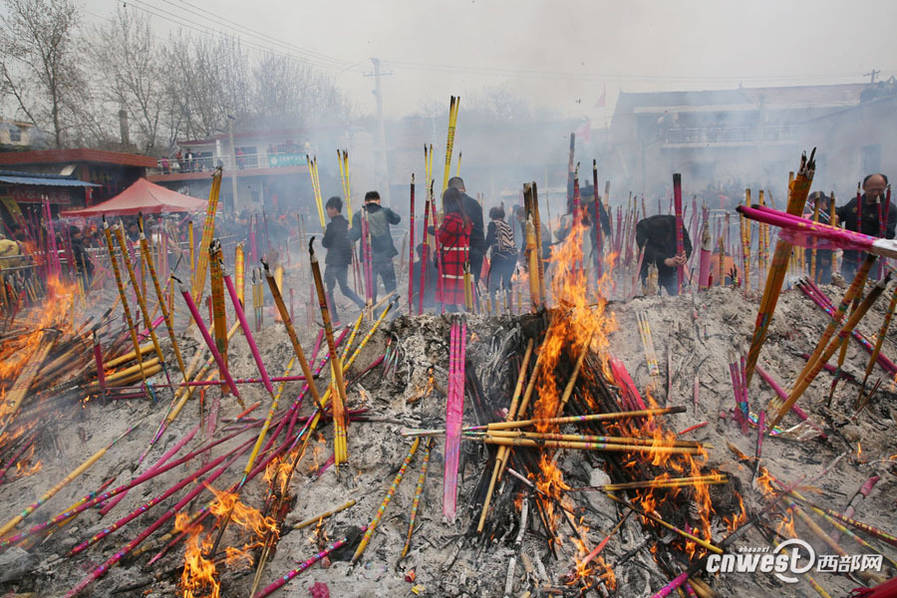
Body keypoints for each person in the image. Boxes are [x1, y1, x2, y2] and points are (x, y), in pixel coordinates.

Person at [836, 173, 896, 280]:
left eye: (880, 190)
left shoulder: (889, 209)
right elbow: (841, 212)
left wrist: (866, 243)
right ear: (864, 187)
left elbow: (888, 233)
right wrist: (836, 215)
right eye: (872, 190)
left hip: (871, 260)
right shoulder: (855, 202)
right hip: (849, 256)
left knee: (866, 287)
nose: (876, 193)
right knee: (845, 286)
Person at [350, 190, 401, 303]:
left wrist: (349, 232)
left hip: (369, 259)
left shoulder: (359, 215)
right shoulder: (386, 211)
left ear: (365, 201)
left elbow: (354, 235)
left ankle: (373, 314)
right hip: (386, 257)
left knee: (371, 289)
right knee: (390, 287)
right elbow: (397, 219)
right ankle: (395, 311)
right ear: (378, 200)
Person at [321, 196, 364, 324]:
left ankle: (335, 319)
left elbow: (325, 243)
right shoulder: (347, 224)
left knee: (329, 291)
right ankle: (362, 304)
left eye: (328, 209)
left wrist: (325, 237)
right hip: (344, 262)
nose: (327, 212)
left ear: (334, 209)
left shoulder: (332, 225)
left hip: (333, 262)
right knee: (344, 288)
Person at [635, 214, 692, 296]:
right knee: (651, 299)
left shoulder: (676, 223)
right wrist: (665, 260)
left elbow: (687, 243)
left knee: (678, 295)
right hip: (649, 268)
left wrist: (684, 255)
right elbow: (647, 250)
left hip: (671, 269)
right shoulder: (642, 227)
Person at [436, 187, 472, 311]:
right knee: (461, 297)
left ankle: (453, 321)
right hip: (463, 261)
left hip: (451, 262)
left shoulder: (451, 218)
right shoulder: (465, 218)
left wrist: (434, 230)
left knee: (450, 299)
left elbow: (440, 237)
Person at [447, 177, 485, 286]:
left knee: (463, 288)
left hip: (462, 251)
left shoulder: (452, 205)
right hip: (477, 249)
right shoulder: (475, 204)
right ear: (464, 188)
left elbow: (450, 230)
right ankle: (475, 302)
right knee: (473, 286)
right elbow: (480, 227)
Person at [485, 205, 517, 297]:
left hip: (500, 256)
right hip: (512, 257)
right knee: (506, 282)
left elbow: (489, 239)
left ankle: (495, 306)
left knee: (494, 282)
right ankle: (509, 304)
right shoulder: (507, 225)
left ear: (492, 216)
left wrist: (483, 251)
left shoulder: (493, 224)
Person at [805, 191, 835, 284]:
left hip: (822, 255)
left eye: (812, 203)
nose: (810, 207)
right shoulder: (813, 217)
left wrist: (826, 255)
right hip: (812, 254)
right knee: (814, 280)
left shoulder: (830, 217)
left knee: (824, 281)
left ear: (822, 201)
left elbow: (829, 237)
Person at [410, 242, 438, 311]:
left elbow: (412, 285)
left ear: (418, 254)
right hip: (432, 300)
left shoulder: (414, 266)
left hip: (422, 300)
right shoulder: (436, 266)